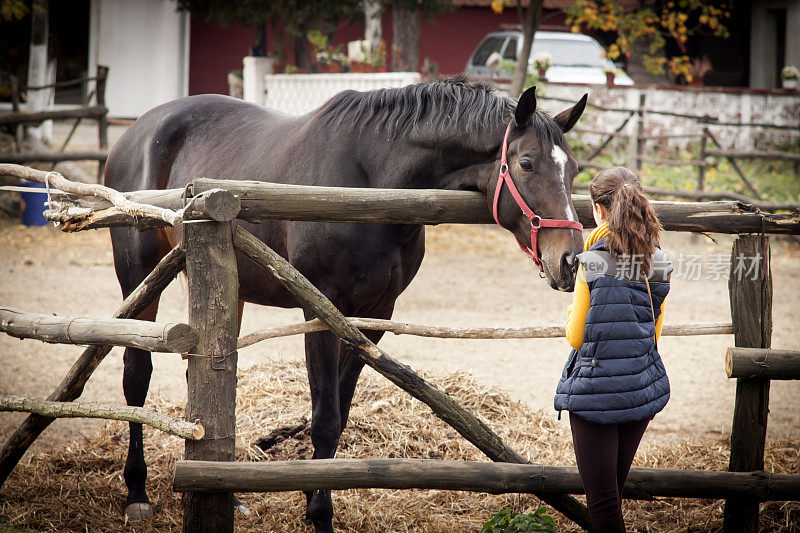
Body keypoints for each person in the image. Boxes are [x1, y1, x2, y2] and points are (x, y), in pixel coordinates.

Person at [554, 166, 673, 532]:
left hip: (596, 395)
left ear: (599, 210)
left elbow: (576, 337)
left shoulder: (593, 259)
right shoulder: (659, 260)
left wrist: (572, 312)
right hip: (639, 392)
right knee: (612, 498)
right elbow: (653, 332)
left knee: (603, 506)